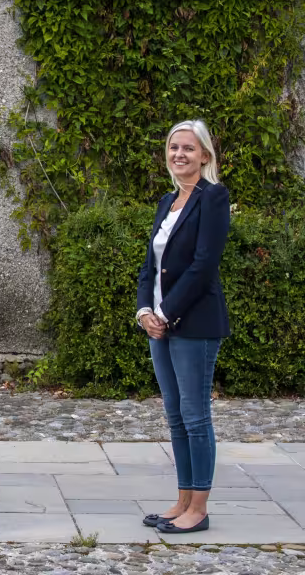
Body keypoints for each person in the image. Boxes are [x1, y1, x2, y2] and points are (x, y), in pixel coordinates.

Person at [136, 120, 230, 534]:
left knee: (195, 416)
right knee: (175, 416)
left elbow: (204, 264)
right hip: (160, 324)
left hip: (194, 323)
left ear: (204, 155)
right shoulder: (167, 201)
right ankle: (183, 500)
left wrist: (166, 312)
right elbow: (150, 265)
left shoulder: (213, 197)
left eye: (188, 148)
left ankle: (200, 509)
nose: (179, 154)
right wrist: (144, 311)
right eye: (174, 147)